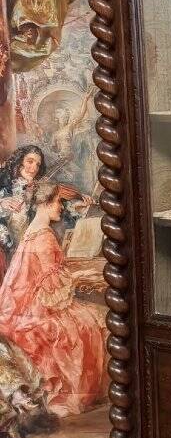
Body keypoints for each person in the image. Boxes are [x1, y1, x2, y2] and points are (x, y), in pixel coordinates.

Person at [0, 182, 108, 416]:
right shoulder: (45, 236)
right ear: (47, 203)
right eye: (59, 201)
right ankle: (79, 393)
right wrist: (79, 274)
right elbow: (52, 282)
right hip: (40, 308)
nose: (61, 207)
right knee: (94, 320)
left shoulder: (32, 230)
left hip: (26, 303)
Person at [0, 143, 92, 277]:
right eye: (30, 162)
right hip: (6, 249)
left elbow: (56, 208)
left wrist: (78, 206)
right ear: (19, 163)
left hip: (29, 251)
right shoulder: (4, 186)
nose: (34, 169)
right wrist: (1, 203)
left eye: (37, 164)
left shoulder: (38, 190)